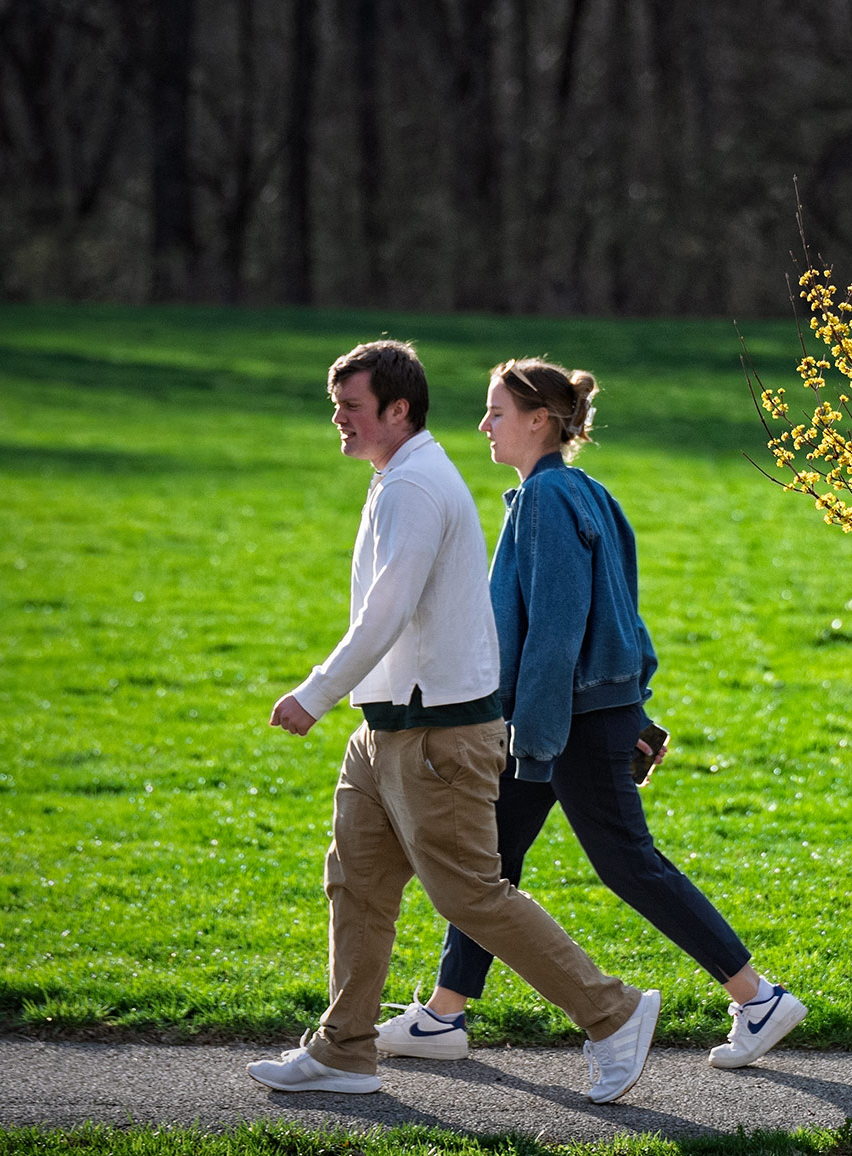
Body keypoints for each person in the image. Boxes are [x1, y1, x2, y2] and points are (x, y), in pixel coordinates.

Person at [249, 340, 661, 1102]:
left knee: (472, 894)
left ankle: (614, 1013)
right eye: (336, 405)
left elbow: (387, 610)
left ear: (397, 410)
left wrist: (314, 692)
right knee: (358, 886)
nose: (337, 419)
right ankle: (344, 1049)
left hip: (438, 734)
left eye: (352, 407)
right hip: (386, 731)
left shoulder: (415, 487)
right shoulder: (396, 477)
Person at [372, 356, 807, 1070]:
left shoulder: (548, 500)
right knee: (490, 864)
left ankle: (757, 998)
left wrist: (533, 737)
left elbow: (557, 630)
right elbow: (623, 615)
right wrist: (627, 708)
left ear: (539, 420)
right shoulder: (587, 493)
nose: (483, 425)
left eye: (497, 413)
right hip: (573, 715)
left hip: (560, 721)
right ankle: (445, 1016)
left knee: (627, 864)